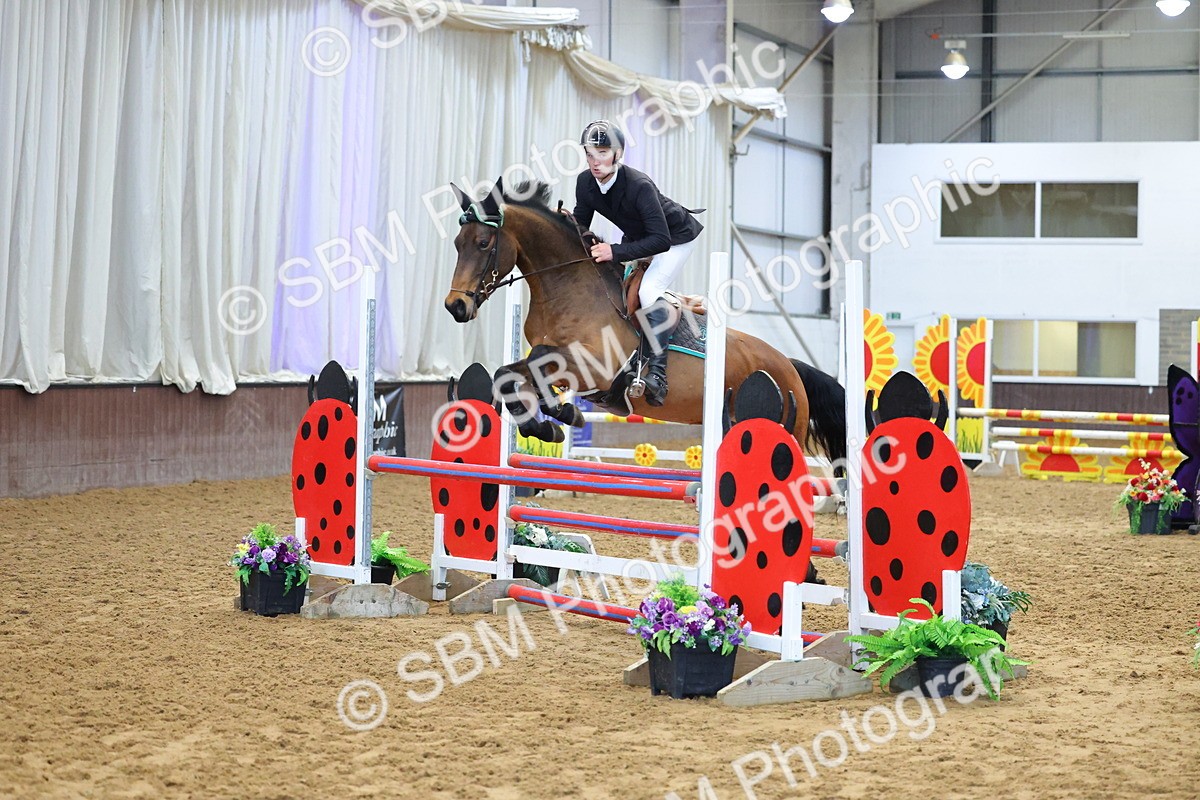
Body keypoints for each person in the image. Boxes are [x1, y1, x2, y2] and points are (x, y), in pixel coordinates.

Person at [572, 119, 703, 406]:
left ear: (618, 154)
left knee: (648, 291)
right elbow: (580, 224)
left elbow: (661, 240)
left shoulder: (639, 185)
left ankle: (657, 373)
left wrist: (614, 251)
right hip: (638, 236)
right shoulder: (585, 182)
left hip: (676, 237)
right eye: (590, 154)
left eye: (603, 153)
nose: (595, 162)